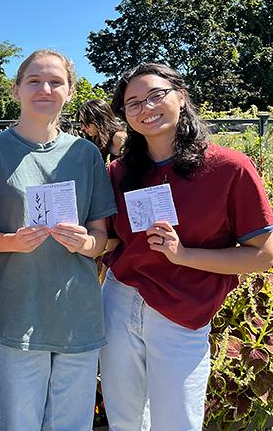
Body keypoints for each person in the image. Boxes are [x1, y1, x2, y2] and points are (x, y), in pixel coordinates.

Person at [100, 63, 273, 431]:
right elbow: (112, 239)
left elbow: (264, 252)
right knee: (125, 420)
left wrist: (183, 255)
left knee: (177, 421)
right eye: (133, 103)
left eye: (155, 95)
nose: (145, 108)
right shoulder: (119, 172)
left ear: (180, 95)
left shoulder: (229, 168)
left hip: (182, 310)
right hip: (120, 301)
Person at [0, 50, 117, 431]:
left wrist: (84, 243)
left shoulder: (86, 155)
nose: (44, 89)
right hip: (18, 314)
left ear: (70, 91)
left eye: (55, 82)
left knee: (72, 426)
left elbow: (103, 238)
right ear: (16, 90)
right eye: (34, 81)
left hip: (77, 315)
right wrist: (12, 242)